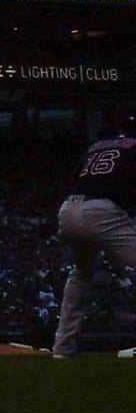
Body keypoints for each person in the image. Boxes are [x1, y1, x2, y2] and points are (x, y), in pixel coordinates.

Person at [51, 108, 136, 358]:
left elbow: (72, 177)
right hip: (101, 211)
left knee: (81, 274)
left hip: (68, 209)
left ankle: (62, 349)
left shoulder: (97, 146)